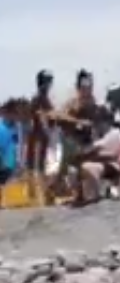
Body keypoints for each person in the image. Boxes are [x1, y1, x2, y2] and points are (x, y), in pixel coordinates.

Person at [56, 71, 100, 203]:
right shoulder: (73, 101)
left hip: (85, 139)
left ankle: (81, 192)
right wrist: (78, 122)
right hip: (71, 139)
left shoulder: (92, 100)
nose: (88, 88)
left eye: (90, 84)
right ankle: (63, 190)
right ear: (79, 86)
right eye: (84, 84)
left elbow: (95, 118)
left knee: (83, 166)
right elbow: (60, 116)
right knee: (69, 168)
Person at [24, 71, 54, 205]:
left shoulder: (44, 98)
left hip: (41, 137)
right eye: (48, 81)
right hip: (37, 137)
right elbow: (35, 118)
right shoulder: (38, 98)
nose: (50, 85)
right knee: (37, 166)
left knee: (38, 166)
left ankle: (40, 196)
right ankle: (38, 197)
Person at [78, 121, 120, 202]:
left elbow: (101, 149)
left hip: (113, 165)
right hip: (110, 166)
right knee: (85, 166)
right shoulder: (108, 134)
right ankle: (90, 194)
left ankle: (93, 194)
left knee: (86, 166)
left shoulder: (114, 134)